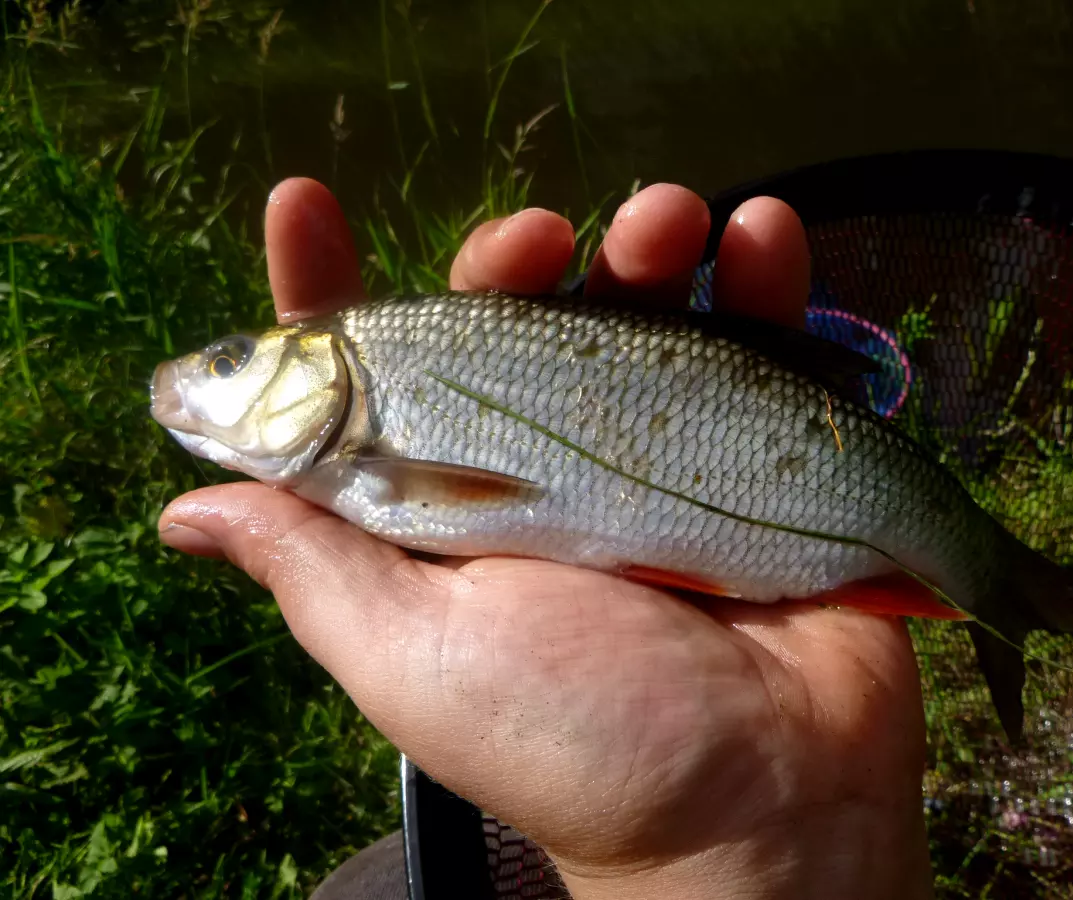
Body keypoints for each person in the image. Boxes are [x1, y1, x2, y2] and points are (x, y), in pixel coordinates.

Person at [158, 177, 935, 900]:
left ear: (325, 371)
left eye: (232, 361)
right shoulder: (344, 455)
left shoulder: (365, 421)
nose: (202, 375)